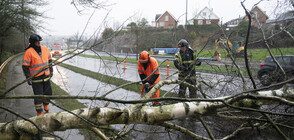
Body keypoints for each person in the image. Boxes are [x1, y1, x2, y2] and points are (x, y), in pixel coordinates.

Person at [22, 34, 53, 116]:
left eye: (39, 41)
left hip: (46, 76)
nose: (39, 43)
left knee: (48, 93)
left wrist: (51, 71)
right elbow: (25, 66)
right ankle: (39, 112)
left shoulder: (45, 49)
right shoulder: (28, 52)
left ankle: (46, 104)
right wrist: (28, 78)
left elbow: (50, 61)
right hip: (36, 79)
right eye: (37, 42)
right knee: (38, 97)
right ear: (32, 43)